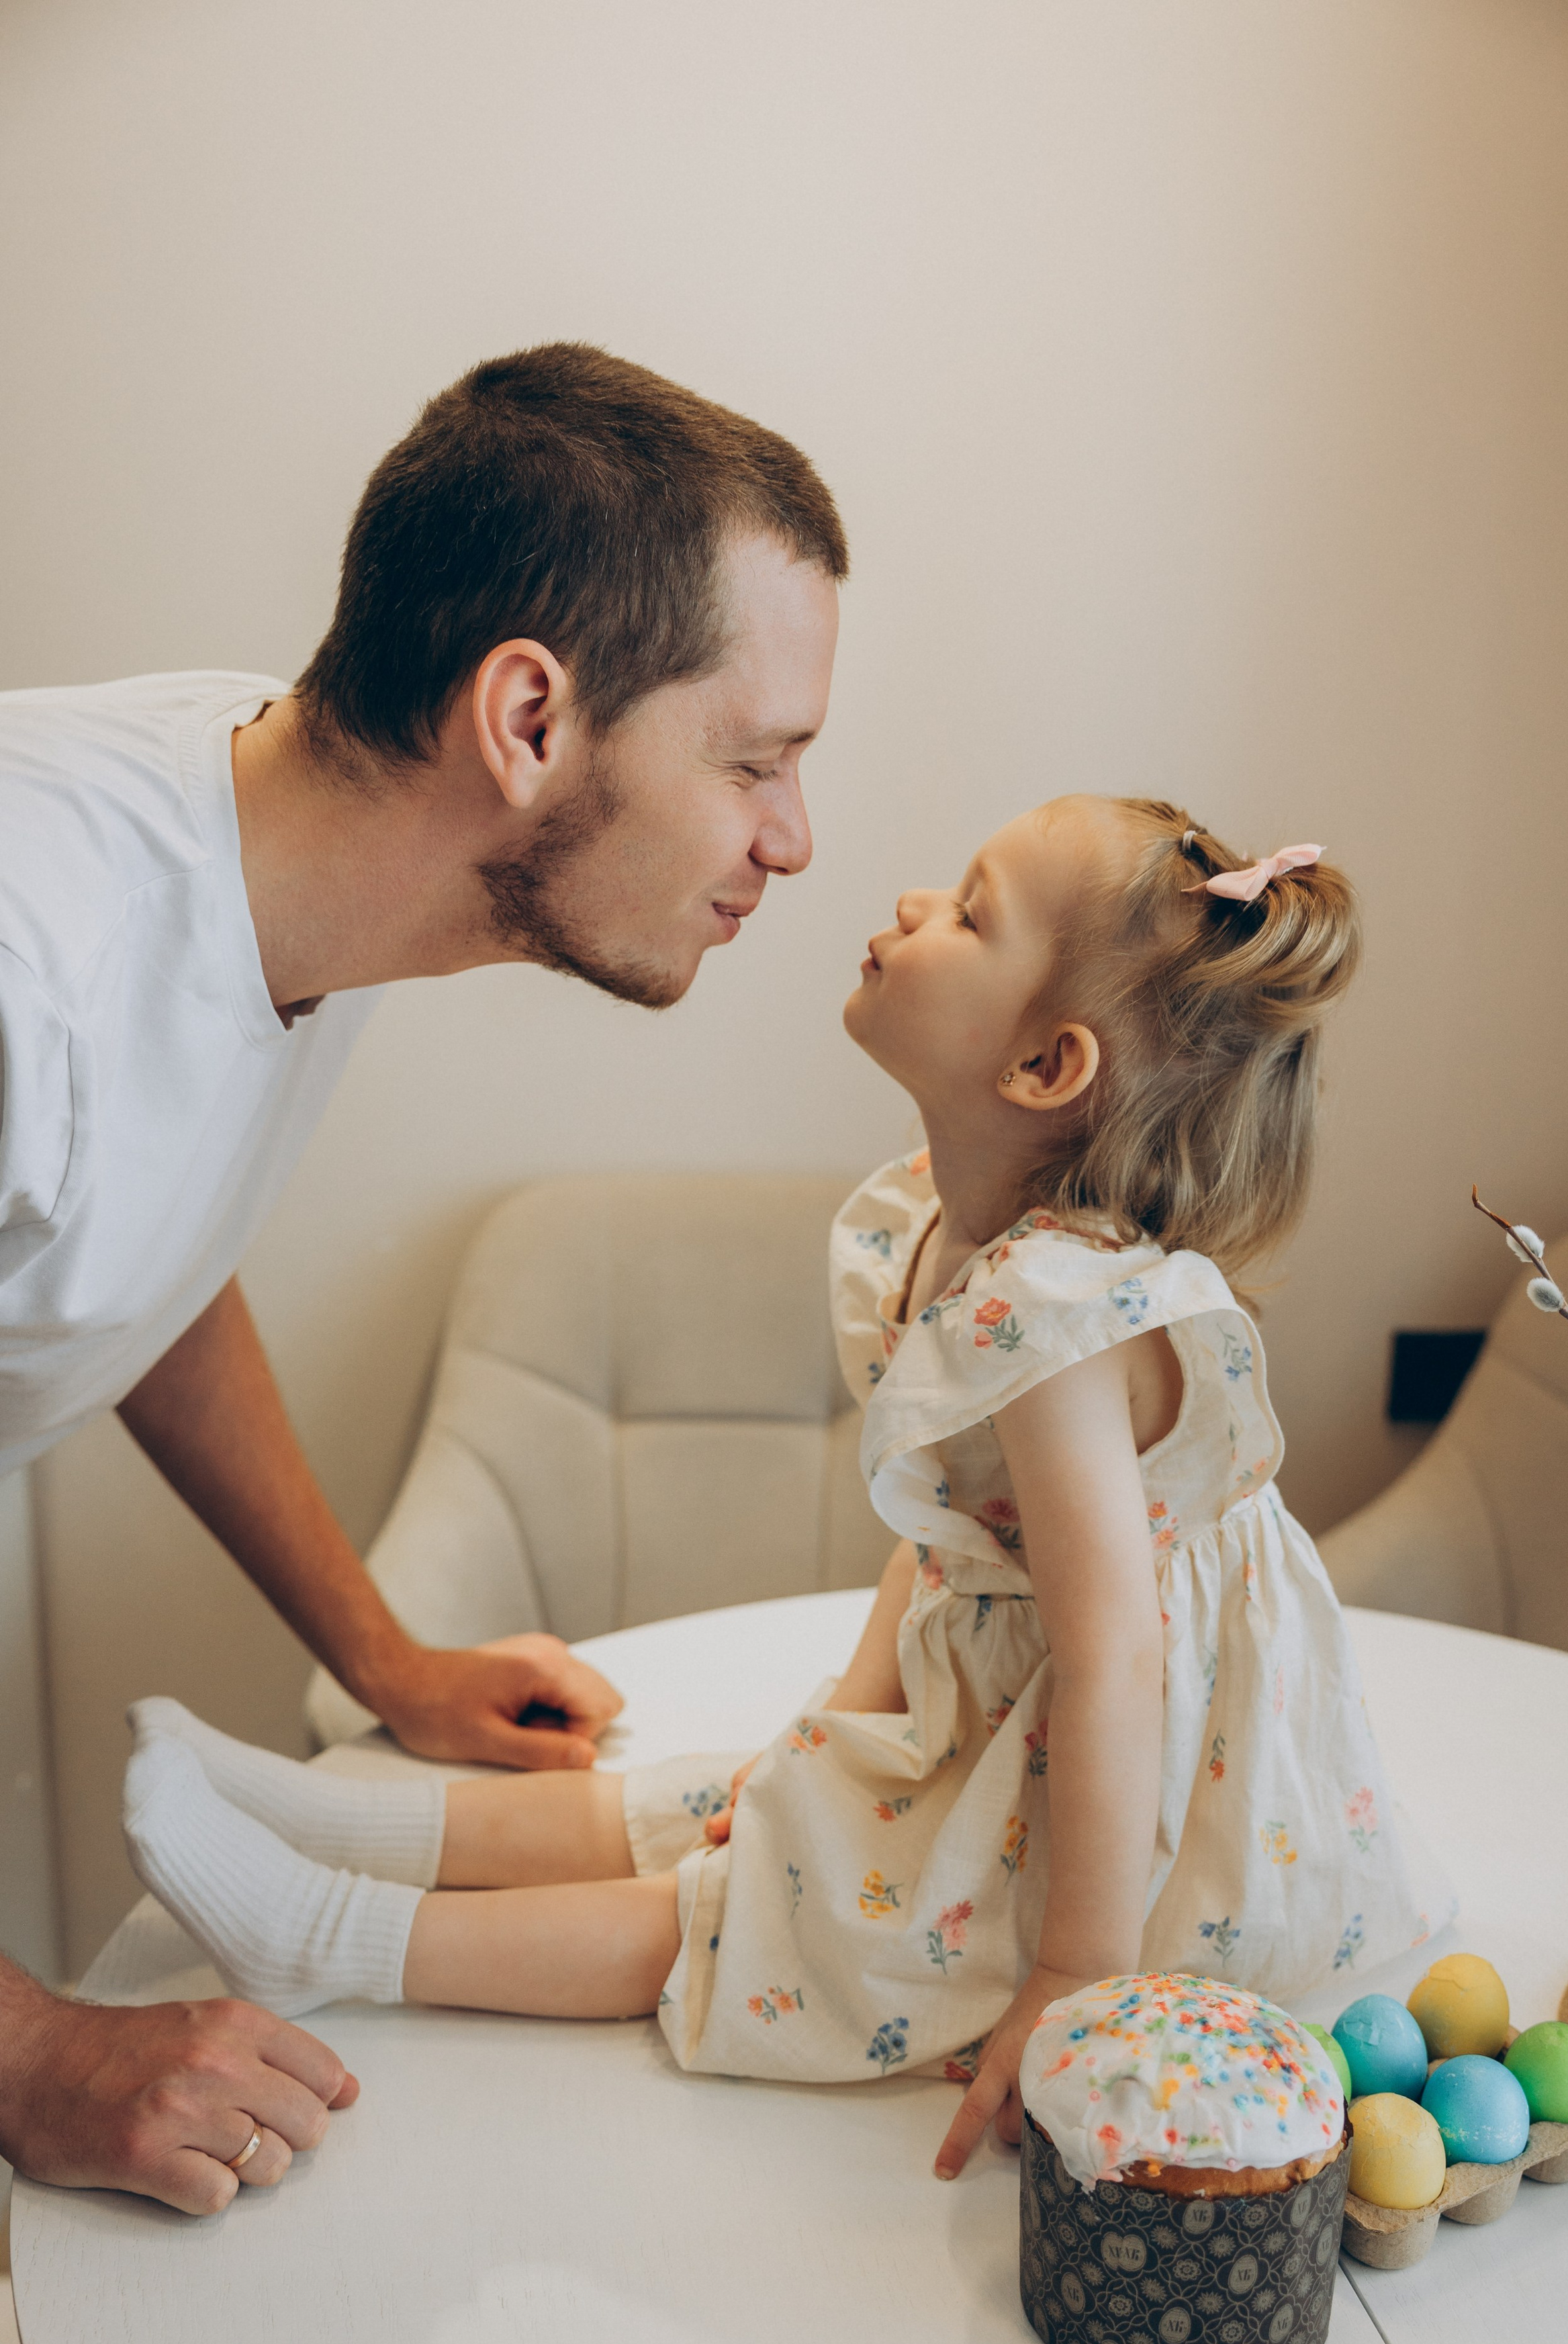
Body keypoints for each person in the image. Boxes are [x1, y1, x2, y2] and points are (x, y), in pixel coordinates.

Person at [116, 794, 1454, 2177]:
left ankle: (329, 1935)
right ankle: (333, 1816)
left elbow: (1116, 1659)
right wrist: (839, 1723)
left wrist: (1073, 1973)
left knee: (778, 1908)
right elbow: (950, 1546)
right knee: (739, 1797)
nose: (911, 909)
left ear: (1045, 1065)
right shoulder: (954, 1236)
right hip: (1017, 1717)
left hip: (1134, 1809)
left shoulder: (1063, 1323)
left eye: (969, 914)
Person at [0, 343, 846, 2210]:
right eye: (755, 762)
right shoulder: (26, 966)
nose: (792, 840)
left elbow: (133, 1244)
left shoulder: (295, 838)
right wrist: (33, 2050)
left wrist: (379, 1657)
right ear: (527, 719)